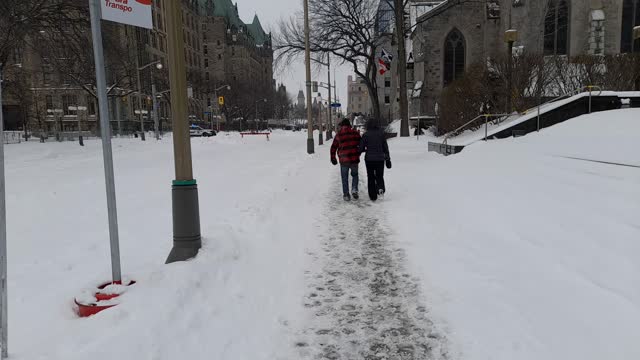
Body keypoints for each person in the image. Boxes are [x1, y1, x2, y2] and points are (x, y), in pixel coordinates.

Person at [359, 119, 391, 201]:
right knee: (379, 175)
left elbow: (361, 148)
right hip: (380, 159)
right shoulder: (381, 134)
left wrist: (364, 150)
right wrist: (388, 159)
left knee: (370, 177)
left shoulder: (366, 135)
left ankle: (372, 195)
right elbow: (385, 148)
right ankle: (380, 188)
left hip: (369, 159)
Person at [330, 118, 362, 201]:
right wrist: (358, 153)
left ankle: (346, 194)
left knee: (344, 177)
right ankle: (354, 189)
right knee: (355, 175)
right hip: (354, 159)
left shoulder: (339, 135)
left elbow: (333, 147)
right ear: (349, 125)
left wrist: (333, 158)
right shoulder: (355, 133)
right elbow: (361, 145)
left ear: (342, 126)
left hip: (344, 160)